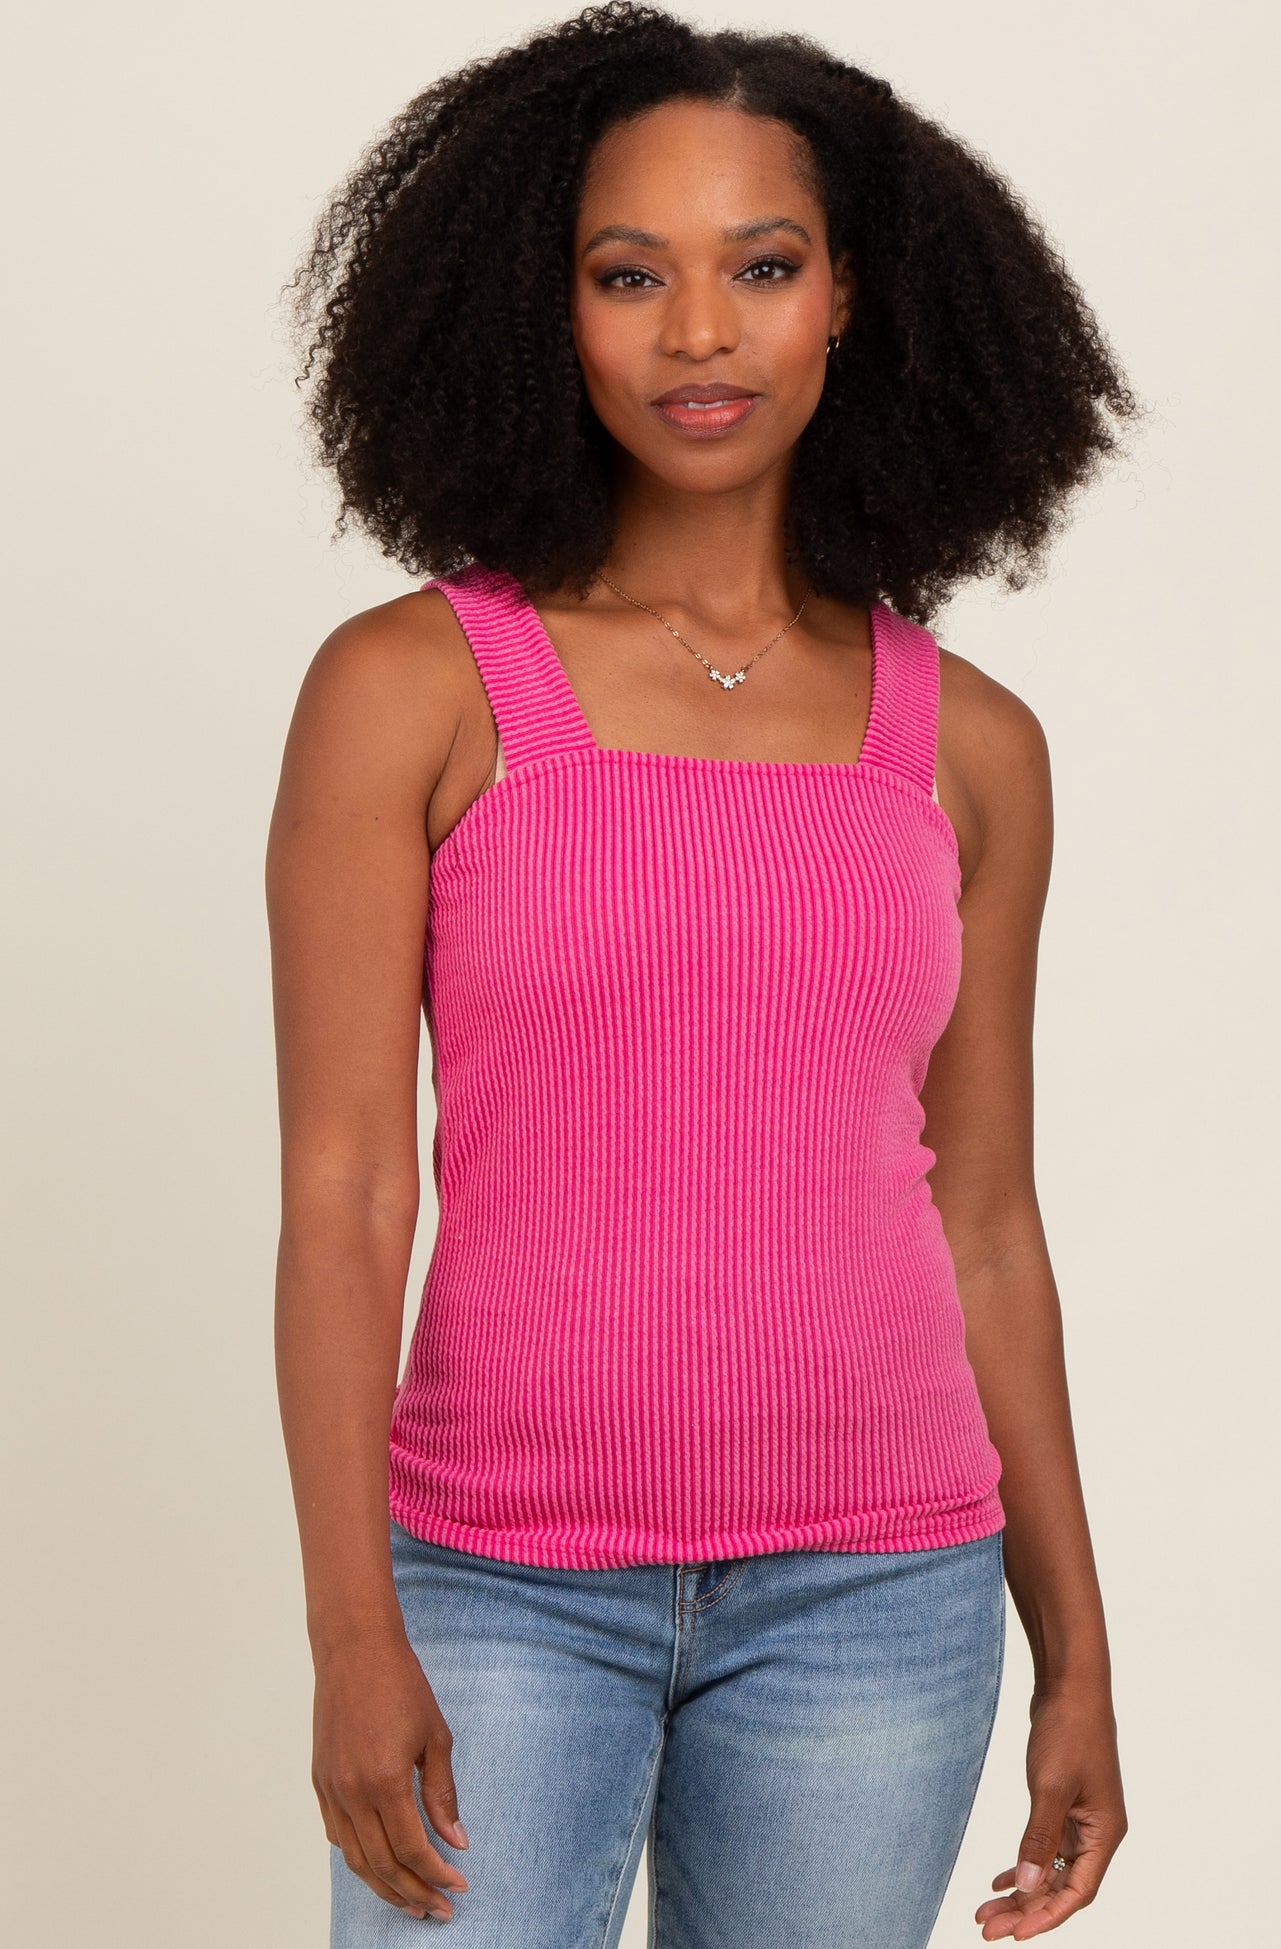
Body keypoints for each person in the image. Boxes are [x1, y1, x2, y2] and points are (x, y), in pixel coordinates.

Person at [267, 6, 1138, 1943]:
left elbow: (987, 1222)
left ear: (848, 299)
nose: (696, 336)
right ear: (545, 309)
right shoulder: (411, 691)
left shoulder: (966, 744)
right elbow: (345, 1189)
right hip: (498, 1582)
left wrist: (1073, 1651)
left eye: (759, 267)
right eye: (626, 274)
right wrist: (350, 1630)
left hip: (880, 1596)